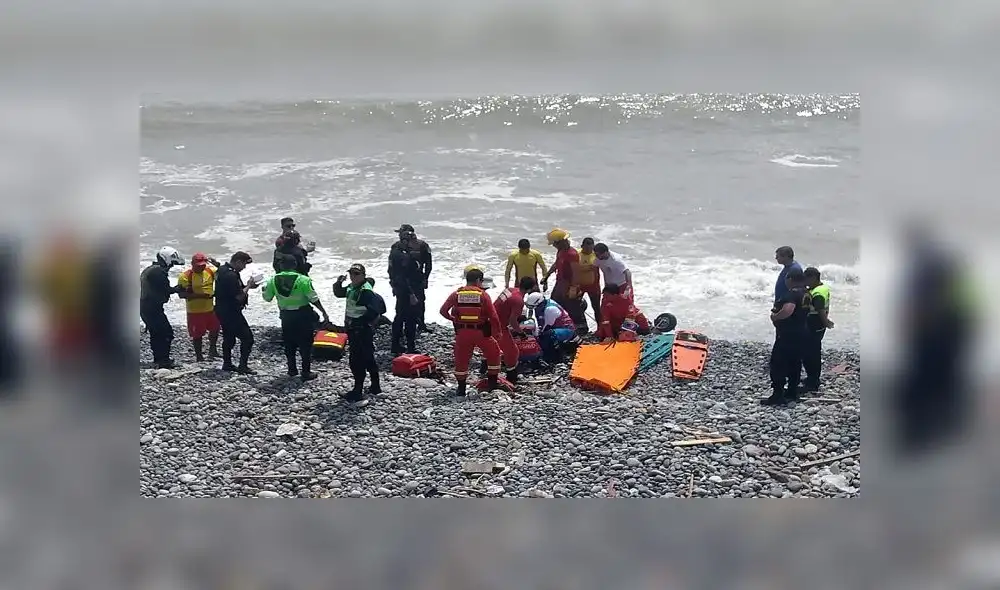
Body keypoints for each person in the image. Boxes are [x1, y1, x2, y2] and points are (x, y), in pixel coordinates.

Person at [263, 254, 330, 381]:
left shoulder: (272, 280)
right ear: (295, 265)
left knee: (289, 343)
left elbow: (267, 298)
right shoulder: (303, 280)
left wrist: (263, 290)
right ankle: (306, 372)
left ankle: (292, 369)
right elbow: (313, 298)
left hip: (286, 316)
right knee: (305, 344)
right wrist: (323, 312)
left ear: (281, 265)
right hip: (303, 315)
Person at [439, 266, 503, 396]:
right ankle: (492, 384)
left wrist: (453, 319)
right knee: (494, 354)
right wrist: (498, 332)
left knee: (461, 359)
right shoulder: (483, 295)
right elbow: (494, 317)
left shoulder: (456, 294)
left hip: (462, 333)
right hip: (481, 333)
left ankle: (461, 388)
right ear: (478, 280)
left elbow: (443, 311)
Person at [333, 263, 384, 404]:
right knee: (367, 356)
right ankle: (375, 386)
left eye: (356, 274)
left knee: (356, 360)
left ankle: (357, 390)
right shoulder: (352, 287)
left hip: (360, 329)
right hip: (354, 328)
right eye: (351, 273)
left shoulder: (365, 291)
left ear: (363, 275)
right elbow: (339, 293)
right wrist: (338, 283)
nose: (353, 276)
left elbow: (374, 311)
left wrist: (360, 323)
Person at [762, 267, 812, 406]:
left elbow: (788, 310)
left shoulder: (792, 294)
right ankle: (792, 392)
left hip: (788, 334)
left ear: (790, 279)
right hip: (802, 332)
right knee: (795, 363)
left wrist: (776, 317)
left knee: (778, 363)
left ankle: (777, 395)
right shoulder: (806, 293)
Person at [213, 251, 260, 374]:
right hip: (231, 311)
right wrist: (248, 286)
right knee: (248, 338)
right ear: (238, 262)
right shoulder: (231, 275)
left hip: (221, 309)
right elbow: (239, 297)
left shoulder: (222, 270)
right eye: (244, 264)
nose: (244, 267)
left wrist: (248, 286)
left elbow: (232, 288)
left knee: (229, 337)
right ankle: (243, 366)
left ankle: (227, 364)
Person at [388, 224, 432, 351]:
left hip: (409, 285)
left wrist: (425, 278)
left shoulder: (420, 246)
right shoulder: (401, 252)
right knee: (409, 316)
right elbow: (395, 271)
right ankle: (408, 345)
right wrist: (409, 291)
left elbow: (428, 264)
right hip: (409, 286)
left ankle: (399, 342)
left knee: (403, 314)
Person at [140, 246, 185, 369]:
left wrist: (174, 289)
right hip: (152, 308)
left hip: (146, 306)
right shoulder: (158, 272)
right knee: (166, 333)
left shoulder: (152, 269)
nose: (171, 267)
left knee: (156, 333)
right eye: (172, 264)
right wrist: (177, 289)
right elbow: (165, 289)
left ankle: (159, 358)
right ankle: (163, 360)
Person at [177, 252, 222, 362]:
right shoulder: (185, 276)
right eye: (198, 266)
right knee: (197, 335)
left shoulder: (210, 271)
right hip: (194, 311)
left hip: (210, 309)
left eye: (203, 265)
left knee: (215, 329)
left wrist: (217, 264)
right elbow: (181, 294)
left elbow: (223, 273)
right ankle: (199, 356)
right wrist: (201, 296)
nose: (201, 268)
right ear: (192, 264)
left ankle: (213, 350)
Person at [540, 228, 586, 330]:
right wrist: (547, 276)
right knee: (554, 303)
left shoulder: (572, 254)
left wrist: (573, 288)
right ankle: (558, 324)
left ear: (560, 242)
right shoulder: (561, 251)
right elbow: (556, 264)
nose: (553, 246)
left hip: (569, 284)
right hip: (560, 282)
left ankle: (581, 329)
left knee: (572, 306)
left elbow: (576, 272)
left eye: (554, 244)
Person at [493, 276, 533, 384]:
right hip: (498, 326)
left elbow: (498, 304)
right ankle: (511, 377)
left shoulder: (509, 290)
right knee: (512, 352)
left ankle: (484, 369)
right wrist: (521, 333)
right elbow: (512, 321)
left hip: (490, 319)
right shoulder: (519, 300)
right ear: (530, 289)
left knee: (492, 347)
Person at [801, 267, 834, 392]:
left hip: (815, 324)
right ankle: (812, 378)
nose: (805, 282)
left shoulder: (818, 293)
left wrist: (826, 322)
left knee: (811, 353)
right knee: (812, 351)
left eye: (806, 279)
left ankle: (813, 381)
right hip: (817, 325)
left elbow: (820, 309)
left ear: (813, 278)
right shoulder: (822, 288)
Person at [523, 291, 579, 362]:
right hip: (557, 327)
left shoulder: (549, 310)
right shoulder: (544, 305)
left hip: (567, 330)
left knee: (547, 336)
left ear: (538, 304)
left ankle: (553, 358)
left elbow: (543, 328)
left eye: (533, 307)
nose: (532, 309)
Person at [577, 237, 603, 325]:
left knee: (596, 308)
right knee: (576, 306)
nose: (589, 250)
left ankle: (600, 327)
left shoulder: (596, 255)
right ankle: (581, 326)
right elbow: (574, 269)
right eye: (587, 248)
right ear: (582, 246)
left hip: (594, 286)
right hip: (580, 285)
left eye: (591, 248)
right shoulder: (577, 255)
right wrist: (588, 267)